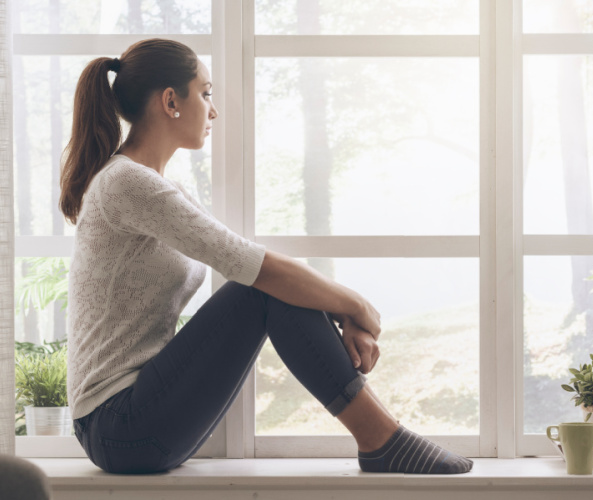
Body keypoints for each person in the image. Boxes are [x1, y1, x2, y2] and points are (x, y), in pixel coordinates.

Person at [59, 38, 472, 476]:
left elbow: (257, 263)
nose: (213, 110)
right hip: (117, 427)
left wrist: (341, 308)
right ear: (170, 101)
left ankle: (381, 440)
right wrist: (359, 308)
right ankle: (381, 439)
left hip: (138, 421)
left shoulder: (156, 187)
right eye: (206, 92)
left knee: (270, 285)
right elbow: (256, 268)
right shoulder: (127, 184)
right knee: (259, 290)